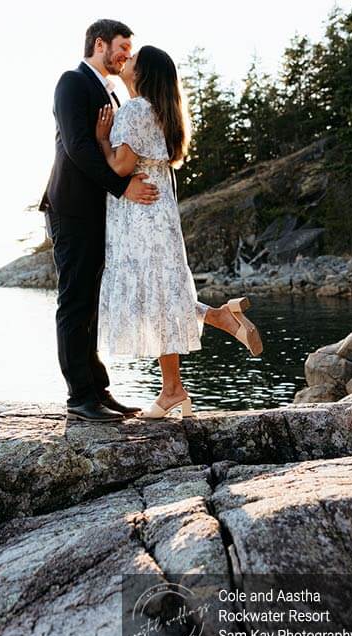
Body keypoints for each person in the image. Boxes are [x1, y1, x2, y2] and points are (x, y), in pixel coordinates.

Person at [95, 45, 263, 419]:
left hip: (141, 216)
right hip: (161, 214)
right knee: (161, 294)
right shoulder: (161, 112)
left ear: (143, 73)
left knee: (155, 297)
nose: (126, 59)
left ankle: (177, 384)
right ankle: (184, 374)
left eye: (133, 59)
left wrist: (103, 138)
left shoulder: (134, 110)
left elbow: (120, 167)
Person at [40, 20, 160, 423]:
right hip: (72, 208)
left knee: (91, 302)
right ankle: (79, 396)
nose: (127, 54)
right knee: (75, 301)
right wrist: (122, 187)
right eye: (123, 46)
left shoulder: (112, 91)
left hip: (97, 211)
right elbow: (77, 147)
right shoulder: (72, 82)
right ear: (100, 43)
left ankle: (98, 389)